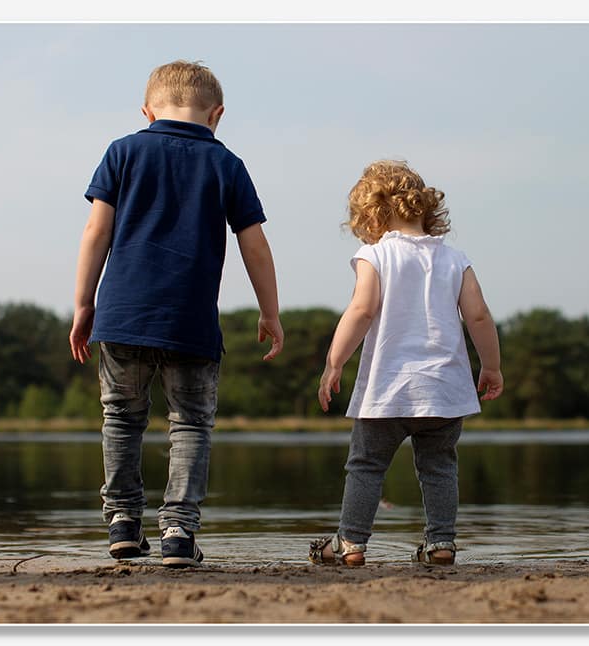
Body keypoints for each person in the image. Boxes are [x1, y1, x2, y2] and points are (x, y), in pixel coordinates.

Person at [69, 60, 284, 568]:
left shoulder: (122, 152)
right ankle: (178, 533)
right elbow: (254, 244)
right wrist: (270, 312)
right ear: (217, 114)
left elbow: (96, 231)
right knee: (190, 424)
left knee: (121, 418)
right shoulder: (227, 163)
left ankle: (123, 523)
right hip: (191, 322)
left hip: (122, 316)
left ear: (147, 112)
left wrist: (83, 303)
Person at [310, 160, 503, 567]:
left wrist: (334, 362)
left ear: (371, 214)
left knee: (366, 465)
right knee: (439, 467)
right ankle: (441, 544)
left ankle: (351, 543)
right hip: (444, 391)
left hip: (388, 389)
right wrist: (491, 366)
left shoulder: (375, 255)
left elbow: (362, 310)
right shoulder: (455, 259)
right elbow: (479, 316)